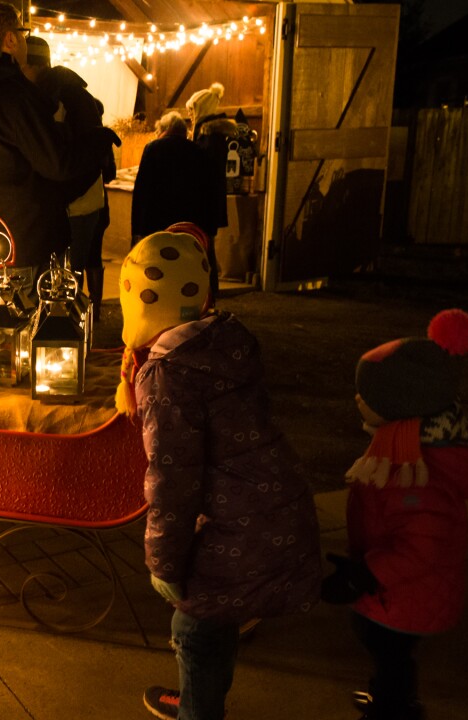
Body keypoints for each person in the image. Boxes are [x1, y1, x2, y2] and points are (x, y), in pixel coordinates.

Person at [112, 229, 322, 720]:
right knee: (219, 614)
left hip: (240, 523)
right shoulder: (225, 340)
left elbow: (172, 479)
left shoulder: (167, 376)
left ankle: (198, 712)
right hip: (276, 503)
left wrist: (162, 561)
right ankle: (198, 700)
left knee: (196, 626)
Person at [321, 309, 468, 720]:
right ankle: (388, 696)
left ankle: (396, 710)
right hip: (395, 593)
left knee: (392, 657)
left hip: (404, 597)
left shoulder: (416, 470)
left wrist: (366, 574)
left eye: (367, 396)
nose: (358, 400)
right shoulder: (407, 449)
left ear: (401, 408)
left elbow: (423, 545)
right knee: (385, 653)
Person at [0, 1, 117, 297]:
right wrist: (99, 140)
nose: (25, 39)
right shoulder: (13, 95)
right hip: (25, 247)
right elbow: (57, 164)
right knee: (31, 335)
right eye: (23, 32)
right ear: (11, 39)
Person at [22, 35, 119, 316]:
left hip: (76, 203)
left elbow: (81, 158)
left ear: (36, 66)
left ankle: (70, 331)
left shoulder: (63, 98)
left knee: (68, 274)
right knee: (67, 270)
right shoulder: (59, 92)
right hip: (76, 200)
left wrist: (60, 196)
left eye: (23, 67)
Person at [128, 111, 215, 255]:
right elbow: (205, 190)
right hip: (188, 222)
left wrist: (137, 230)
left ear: (164, 130)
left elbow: (142, 191)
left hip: (157, 220)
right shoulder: (198, 151)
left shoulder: (153, 148)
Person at [185, 83, 235, 298]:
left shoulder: (210, 136)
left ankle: (209, 295)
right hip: (206, 201)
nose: (190, 115)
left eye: (192, 110)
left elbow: (204, 170)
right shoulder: (207, 134)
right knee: (203, 248)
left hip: (205, 202)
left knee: (206, 249)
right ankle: (205, 294)